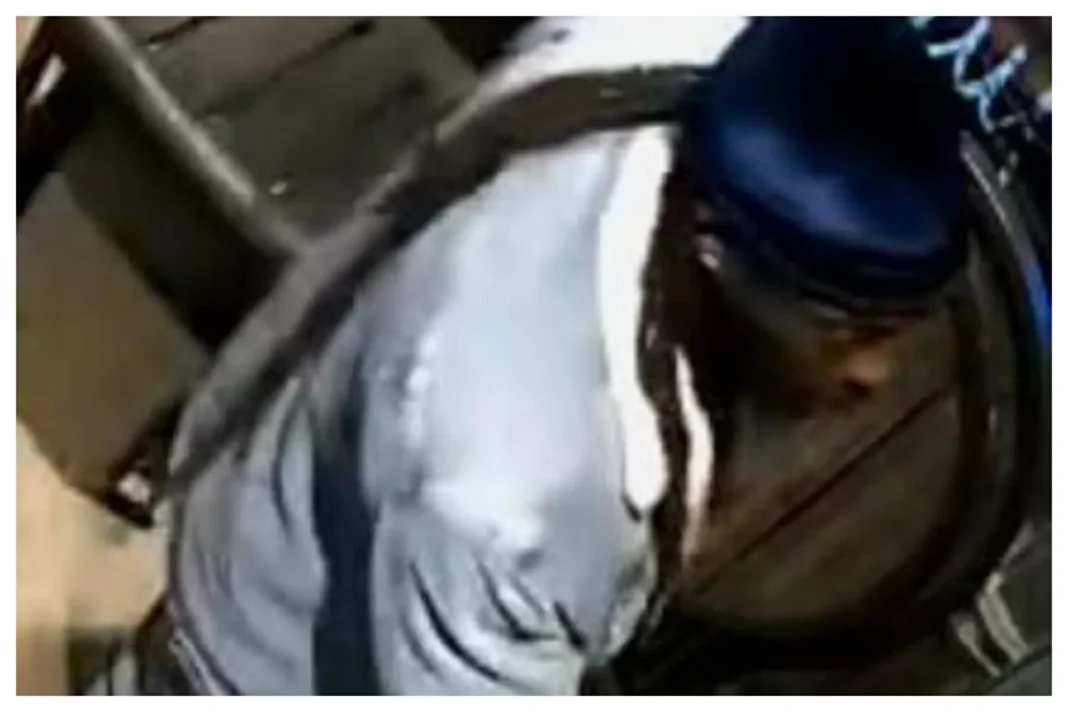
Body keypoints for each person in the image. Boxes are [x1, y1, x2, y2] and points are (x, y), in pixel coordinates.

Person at [95, 17, 969, 694]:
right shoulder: (511, 495)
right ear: (715, 250)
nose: (876, 374)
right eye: (847, 333)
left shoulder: (686, 46)